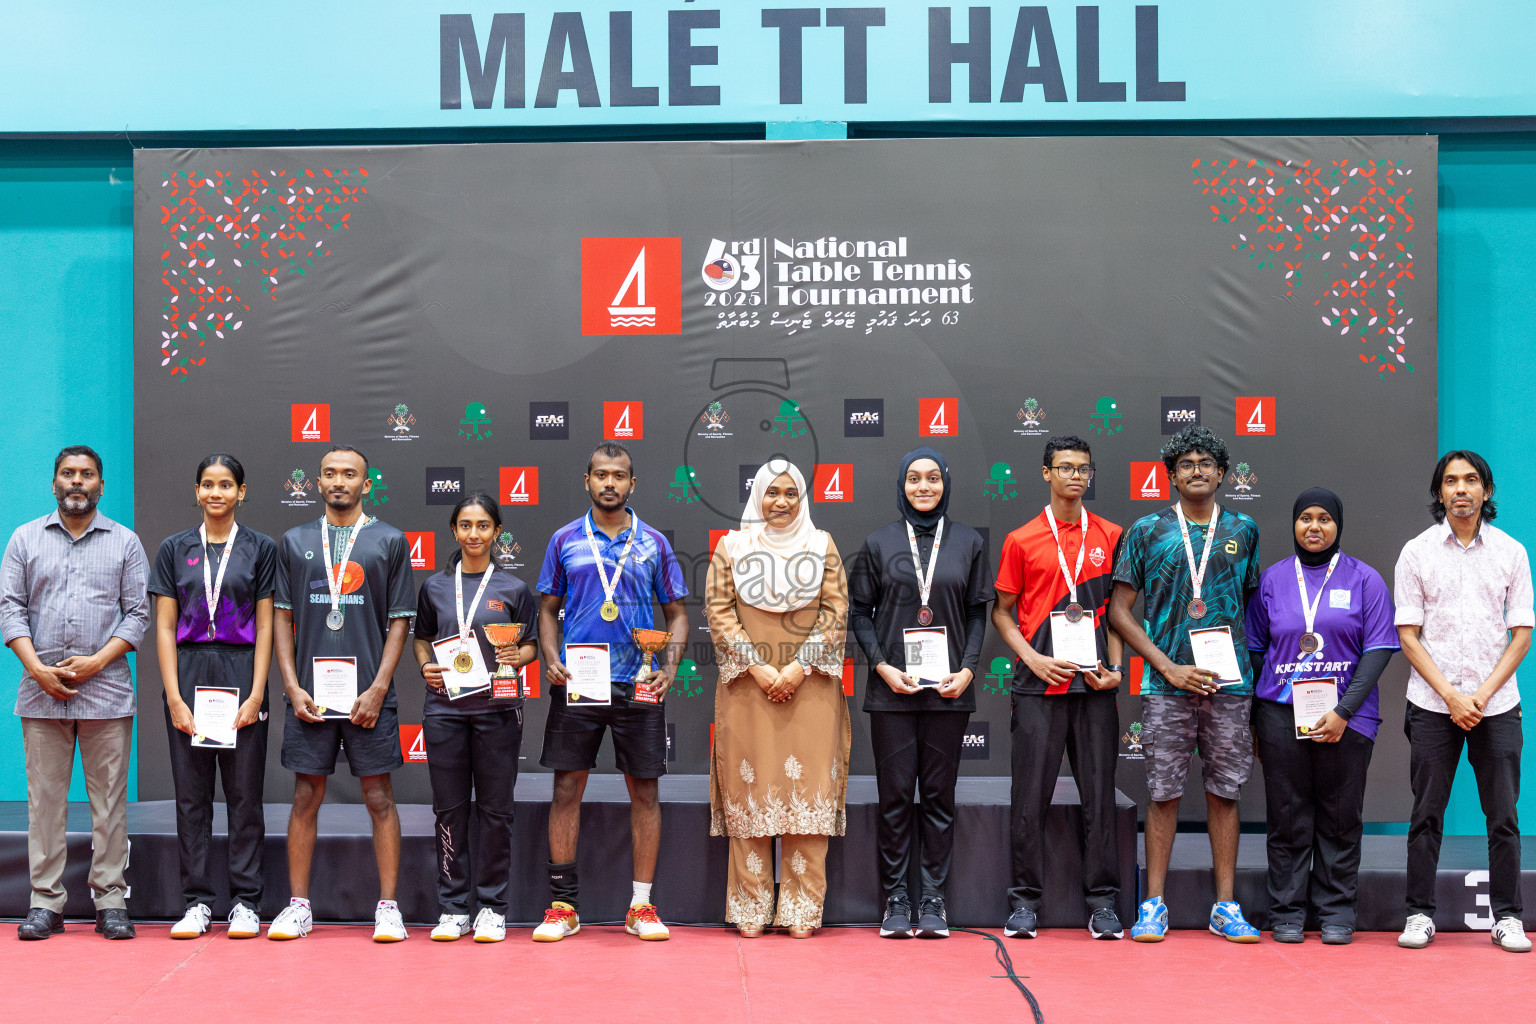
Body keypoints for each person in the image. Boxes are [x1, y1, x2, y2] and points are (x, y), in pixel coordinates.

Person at [1107, 425, 1262, 943]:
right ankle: (1153, 905)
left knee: (1224, 793)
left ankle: (1225, 906)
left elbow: (1252, 608)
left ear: (1222, 473)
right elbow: (1119, 612)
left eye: (1206, 463)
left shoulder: (1245, 527)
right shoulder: (1148, 530)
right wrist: (1167, 667)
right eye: (1186, 464)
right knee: (1163, 793)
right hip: (1166, 687)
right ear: (1171, 476)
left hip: (1230, 687)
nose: (1197, 470)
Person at [533, 442, 688, 942]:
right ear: (587, 481)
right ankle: (563, 907)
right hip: (579, 682)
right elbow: (546, 608)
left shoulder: (655, 544)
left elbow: (678, 615)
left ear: (632, 485)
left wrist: (668, 666)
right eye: (601, 475)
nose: (609, 484)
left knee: (644, 791)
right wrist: (551, 656)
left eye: (618, 476)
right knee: (565, 789)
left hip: (638, 682)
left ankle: (641, 906)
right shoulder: (564, 540)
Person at [269, 445, 417, 942]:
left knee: (379, 797)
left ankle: (389, 908)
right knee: (306, 795)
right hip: (310, 697)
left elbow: (400, 623)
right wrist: (290, 686)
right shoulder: (294, 540)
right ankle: (298, 906)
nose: (339, 481)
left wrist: (378, 688)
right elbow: (282, 618)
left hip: (368, 698)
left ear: (366, 483)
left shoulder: (389, 541)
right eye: (330, 473)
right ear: (317, 483)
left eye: (349, 474)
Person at [3, 445, 150, 941]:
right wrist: (36, 668)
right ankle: (47, 902)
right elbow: (10, 609)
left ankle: (110, 900)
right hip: (40, 690)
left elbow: (138, 616)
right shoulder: (25, 539)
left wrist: (96, 662)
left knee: (109, 802)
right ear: (54, 483)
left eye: (87, 475)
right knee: (44, 803)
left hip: (106, 689)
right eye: (68, 473)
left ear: (101, 486)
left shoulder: (125, 542)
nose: (77, 482)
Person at [850, 447, 992, 939]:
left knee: (937, 797)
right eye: (914, 479)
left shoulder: (969, 542)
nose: (924, 487)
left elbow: (978, 613)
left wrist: (969, 670)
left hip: (949, 692)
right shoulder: (878, 542)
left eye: (933, 478)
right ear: (902, 485)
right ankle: (895, 899)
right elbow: (858, 613)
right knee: (893, 799)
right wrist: (883, 666)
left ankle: (933, 898)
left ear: (946, 483)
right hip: (892, 691)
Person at [1245, 488, 1398, 945]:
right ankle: (1287, 912)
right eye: (1306, 518)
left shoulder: (1365, 579)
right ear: (1294, 525)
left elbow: (1379, 649)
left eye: (1325, 518)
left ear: (1338, 525)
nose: (1315, 526)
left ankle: (1336, 912)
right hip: (1281, 715)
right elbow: (1256, 650)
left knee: (1339, 816)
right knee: (1288, 816)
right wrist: (1266, 709)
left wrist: (1343, 710)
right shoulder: (1271, 580)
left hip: (1347, 717)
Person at [1394, 450, 1532, 953]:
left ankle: (1508, 917)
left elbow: (1521, 635)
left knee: (1504, 818)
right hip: (1432, 704)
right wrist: (1452, 696)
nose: (1461, 489)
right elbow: (1408, 636)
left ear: (1486, 491)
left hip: (1496, 705)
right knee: (1426, 814)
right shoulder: (1416, 552)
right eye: (1450, 481)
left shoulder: (1512, 552)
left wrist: (1480, 695)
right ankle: (1418, 913)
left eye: (1471, 480)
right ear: (1439, 492)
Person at [707, 460, 850, 938]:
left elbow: (835, 609)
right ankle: (750, 907)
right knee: (752, 793)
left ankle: (801, 909)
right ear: (757, 498)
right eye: (772, 492)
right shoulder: (732, 547)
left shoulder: (822, 544)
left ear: (803, 496)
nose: (782, 501)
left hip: (811, 686)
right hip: (749, 687)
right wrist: (760, 668)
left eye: (791, 492)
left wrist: (796, 667)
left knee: (807, 796)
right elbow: (719, 611)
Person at [993, 436, 1125, 941]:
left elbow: (1117, 614)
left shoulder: (1111, 534)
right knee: (1029, 799)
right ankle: (1024, 902)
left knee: (1099, 799)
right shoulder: (1021, 539)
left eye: (1084, 469)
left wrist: (1116, 668)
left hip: (1094, 688)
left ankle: (1103, 903)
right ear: (1045, 473)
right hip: (1037, 687)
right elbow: (1001, 613)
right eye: (1065, 468)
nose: (1075, 476)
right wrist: (1030, 656)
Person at [149, 454, 277, 939]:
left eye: (226, 485)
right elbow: (163, 627)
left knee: (245, 795)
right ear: (196, 492)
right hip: (189, 671)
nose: (216, 493)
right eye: (207, 484)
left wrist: (258, 691)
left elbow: (266, 624)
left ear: (241, 492)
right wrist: (175, 696)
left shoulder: (260, 548)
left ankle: (246, 901)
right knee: (192, 796)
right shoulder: (174, 548)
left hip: (242, 670)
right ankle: (197, 901)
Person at [413, 492, 538, 943]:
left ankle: (492, 907)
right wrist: (425, 665)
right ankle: (452, 908)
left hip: (497, 710)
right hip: (445, 711)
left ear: (497, 532)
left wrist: (516, 655)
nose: (474, 534)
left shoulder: (514, 590)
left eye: (483, 525)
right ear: (454, 530)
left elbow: (531, 646)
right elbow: (422, 638)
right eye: (465, 525)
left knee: (495, 811)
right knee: (448, 810)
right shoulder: (434, 586)